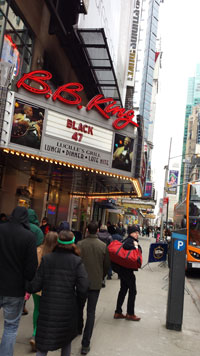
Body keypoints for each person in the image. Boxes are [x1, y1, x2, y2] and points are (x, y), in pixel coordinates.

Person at [26, 230, 89, 356]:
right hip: (67, 309)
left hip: (47, 307)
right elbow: (83, 287)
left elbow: (35, 285)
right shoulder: (76, 261)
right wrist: (78, 303)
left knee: (43, 344)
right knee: (66, 341)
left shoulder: (47, 259)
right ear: (72, 243)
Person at [0, 206, 38, 356]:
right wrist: (27, 281)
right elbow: (31, 267)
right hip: (15, 289)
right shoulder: (29, 237)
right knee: (10, 327)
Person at [77, 221, 110, 355]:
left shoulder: (80, 244)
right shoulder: (103, 246)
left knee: (79, 307)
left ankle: (78, 328)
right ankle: (86, 344)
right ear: (97, 231)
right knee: (91, 312)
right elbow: (107, 265)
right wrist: (100, 276)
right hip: (95, 284)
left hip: (80, 282)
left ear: (86, 230)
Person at [29, 231, 59, 352]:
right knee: (48, 312)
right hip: (50, 287)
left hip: (37, 286)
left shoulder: (37, 250)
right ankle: (41, 335)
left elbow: (32, 267)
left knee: (37, 309)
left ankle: (35, 332)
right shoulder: (57, 254)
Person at [113, 224, 141, 322]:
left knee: (123, 290)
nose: (137, 234)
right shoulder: (130, 241)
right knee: (133, 291)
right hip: (127, 271)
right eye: (135, 232)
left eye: (138, 232)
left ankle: (118, 311)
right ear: (131, 233)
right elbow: (130, 250)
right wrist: (136, 247)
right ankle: (130, 313)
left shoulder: (126, 239)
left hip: (122, 270)